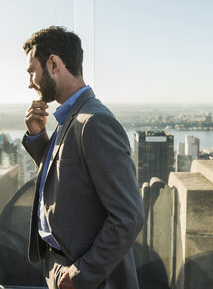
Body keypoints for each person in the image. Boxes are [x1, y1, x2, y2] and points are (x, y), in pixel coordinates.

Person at [22, 26, 144, 289]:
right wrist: (37, 137)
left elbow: (128, 216)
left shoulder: (94, 121)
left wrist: (80, 276)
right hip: (60, 268)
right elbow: (64, 179)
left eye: (32, 71)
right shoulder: (70, 115)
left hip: (88, 279)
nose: (29, 81)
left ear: (53, 63)